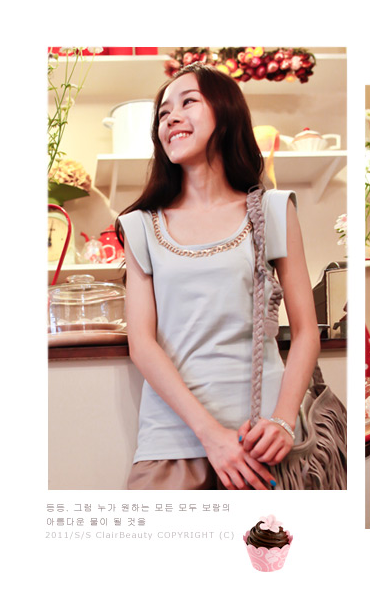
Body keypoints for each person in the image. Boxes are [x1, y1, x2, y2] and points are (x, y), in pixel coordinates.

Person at [116, 65, 321, 490]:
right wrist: (210, 435)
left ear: (225, 113)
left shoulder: (273, 211)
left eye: (188, 102)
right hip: (172, 441)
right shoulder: (139, 226)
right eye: (163, 113)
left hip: (265, 440)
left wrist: (284, 420)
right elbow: (142, 344)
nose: (171, 117)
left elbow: (305, 331)